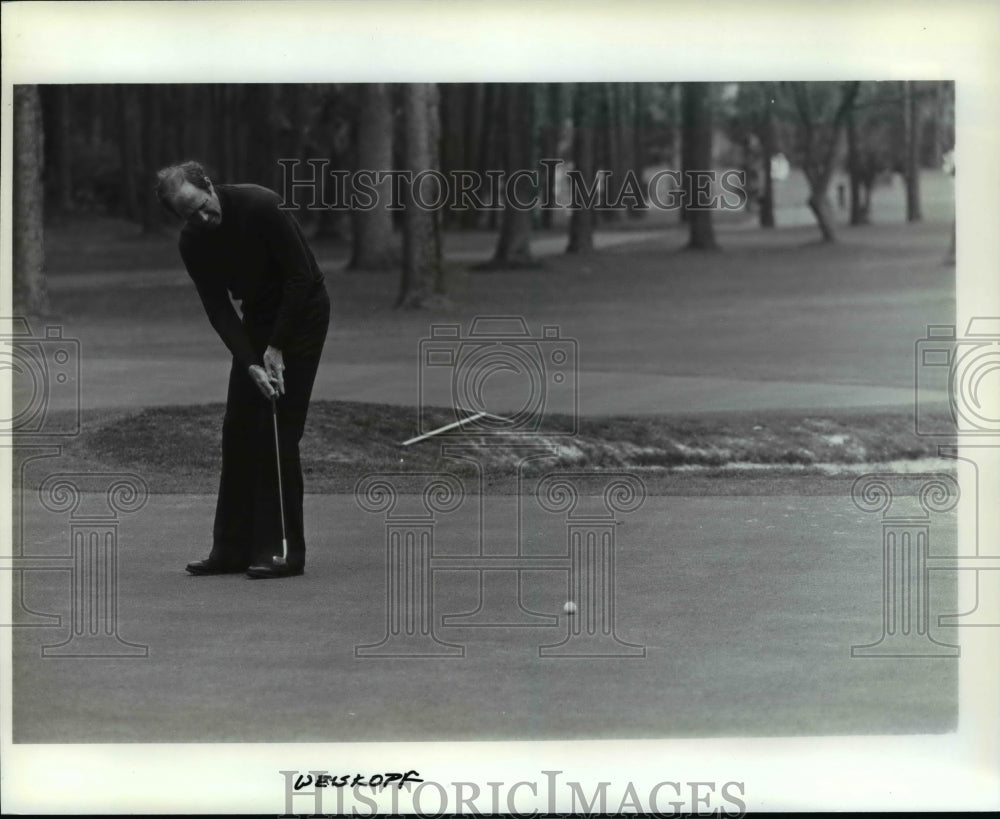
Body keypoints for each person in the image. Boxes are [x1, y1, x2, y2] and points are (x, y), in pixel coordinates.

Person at [156, 161, 330, 579]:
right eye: (188, 215)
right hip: (256, 321)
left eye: (201, 206)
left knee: (279, 428)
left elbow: (300, 277)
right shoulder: (192, 243)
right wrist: (251, 361)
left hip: (302, 314)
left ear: (209, 185)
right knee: (237, 427)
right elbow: (218, 308)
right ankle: (231, 548)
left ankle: (283, 551)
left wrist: (277, 347)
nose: (201, 217)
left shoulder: (261, 205)